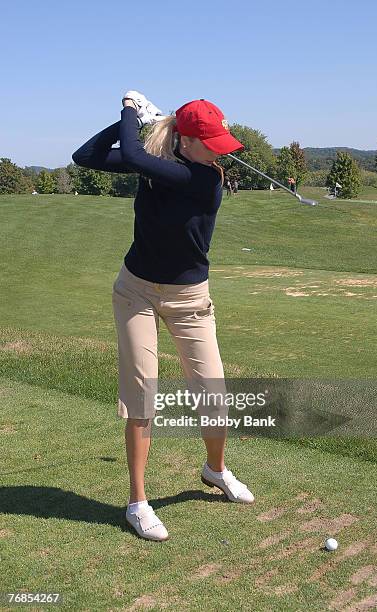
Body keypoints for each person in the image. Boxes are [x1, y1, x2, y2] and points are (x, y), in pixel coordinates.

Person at [72, 92, 255, 542]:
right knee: (142, 397)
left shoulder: (202, 177)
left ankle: (215, 470)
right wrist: (135, 120)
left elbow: (135, 153)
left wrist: (131, 111)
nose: (220, 150)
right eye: (210, 141)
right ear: (185, 140)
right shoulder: (159, 166)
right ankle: (137, 502)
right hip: (135, 290)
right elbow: (86, 156)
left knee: (214, 396)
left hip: (189, 297)